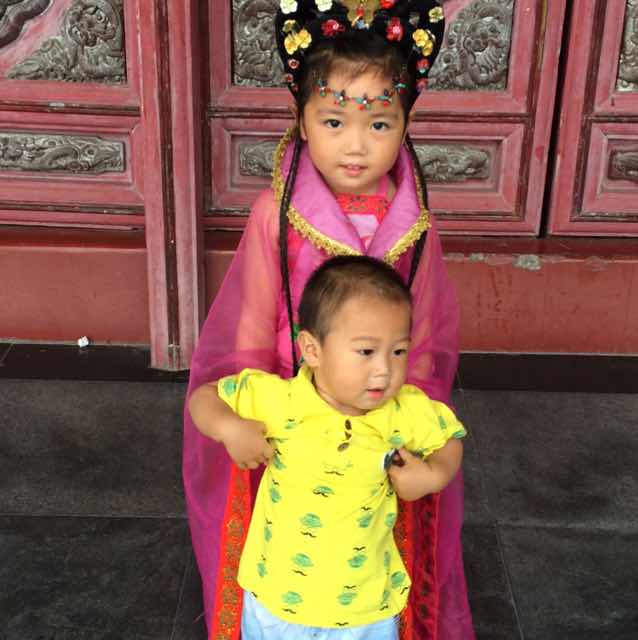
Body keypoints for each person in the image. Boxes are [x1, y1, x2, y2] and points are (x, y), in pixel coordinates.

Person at [183, 1, 475, 638]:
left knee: (375, 539)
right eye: (334, 120)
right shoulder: (277, 211)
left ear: (405, 124)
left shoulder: (415, 223)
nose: (356, 145)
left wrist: (412, 411)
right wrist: (249, 418)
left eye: (380, 124)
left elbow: (425, 331)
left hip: (381, 408)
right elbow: (252, 324)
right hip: (299, 407)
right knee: (287, 539)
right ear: (302, 121)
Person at [189, 256, 466, 639]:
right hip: (276, 602)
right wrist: (229, 428)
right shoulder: (279, 400)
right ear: (312, 350)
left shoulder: (403, 410)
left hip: (365, 611)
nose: (385, 369)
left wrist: (433, 475)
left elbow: (449, 439)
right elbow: (203, 398)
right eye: (366, 352)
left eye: (399, 351)